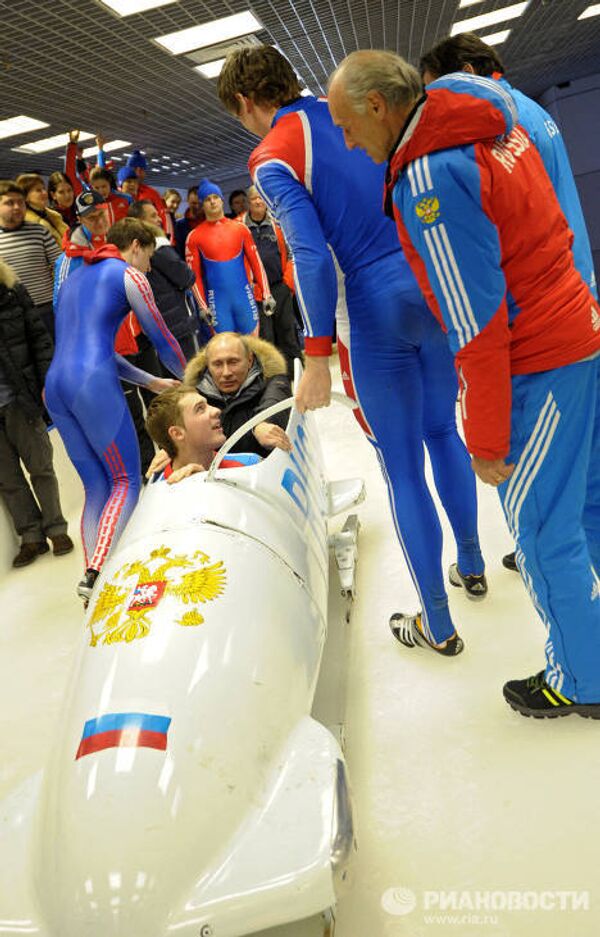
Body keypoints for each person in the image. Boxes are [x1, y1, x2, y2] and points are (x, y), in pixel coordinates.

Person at [328, 50, 600, 715]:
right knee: (587, 502)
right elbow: (557, 231)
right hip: (579, 330)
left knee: (540, 529)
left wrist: (484, 434)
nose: (345, 140)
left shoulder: (428, 177)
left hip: (540, 361)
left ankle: (583, 681)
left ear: (377, 107)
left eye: (345, 123)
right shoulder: (490, 125)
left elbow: (475, 324)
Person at [217, 45, 486, 657]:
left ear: (244, 103)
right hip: (431, 283)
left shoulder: (272, 155)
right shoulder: (351, 110)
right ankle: (471, 564)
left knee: (400, 465)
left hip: (372, 307)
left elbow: (310, 258)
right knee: (445, 432)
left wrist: (315, 358)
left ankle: (438, 625)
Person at [420, 31, 599, 574]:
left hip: (541, 322)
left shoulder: (497, 127)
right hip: (578, 295)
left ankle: (561, 577)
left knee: (549, 505)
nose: (438, 107)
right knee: (587, 470)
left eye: (441, 91)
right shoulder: (527, 112)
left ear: (471, 70)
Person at [44, 217, 187, 602]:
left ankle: (94, 583)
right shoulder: (129, 275)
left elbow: (94, 350)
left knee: (97, 488)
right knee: (126, 481)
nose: (150, 267)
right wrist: (192, 377)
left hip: (56, 386)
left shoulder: (75, 277)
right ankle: (96, 575)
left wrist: (152, 383)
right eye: (150, 257)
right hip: (92, 387)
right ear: (137, 246)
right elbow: (163, 339)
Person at [0, 258, 73, 567]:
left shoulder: (12, 291)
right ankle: (31, 537)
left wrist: (45, 383)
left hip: (21, 398)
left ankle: (56, 527)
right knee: (7, 479)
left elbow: (40, 340)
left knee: (40, 465)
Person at [185, 178, 273, 335]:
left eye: (215, 197)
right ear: (202, 204)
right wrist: (202, 306)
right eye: (207, 199)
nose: (212, 202)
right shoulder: (194, 237)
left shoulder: (240, 229)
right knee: (226, 351)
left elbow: (256, 263)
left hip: (244, 298)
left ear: (221, 199)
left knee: (252, 348)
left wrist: (266, 293)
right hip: (218, 302)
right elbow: (194, 276)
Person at [184, 332, 292, 457]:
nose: (226, 373)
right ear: (208, 365)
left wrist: (262, 424)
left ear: (250, 360)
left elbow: (275, 400)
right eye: (218, 364)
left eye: (233, 362)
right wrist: (175, 447)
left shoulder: (274, 380)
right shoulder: (194, 395)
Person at [128, 199, 199, 361]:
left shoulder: (131, 250)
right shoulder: (158, 247)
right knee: (190, 377)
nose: (159, 219)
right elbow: (187, 277)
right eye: (153, 216)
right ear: (140, 222)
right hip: (176, 326)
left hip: (154, 326)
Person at [242, 185, 301, 378]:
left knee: (288, 334)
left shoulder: (278, 222)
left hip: (280, 287)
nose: (258, 202)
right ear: (248, 203)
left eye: (261, 198)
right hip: (256, 291)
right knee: (266, 339)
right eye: (254, 199)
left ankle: (297, 376)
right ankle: (276, 380)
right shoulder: (240, 226)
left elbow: (292, 253)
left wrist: (288, 283)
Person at [145, 385, 259, 485]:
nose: (216, 410)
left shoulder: (251, 464)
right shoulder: (159, 491)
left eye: (208, 404)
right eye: (200, 409)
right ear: (177, 433)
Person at [0, 180, 61, 341]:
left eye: (21, 202)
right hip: (12, 315)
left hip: (46, 310)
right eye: (9, 203)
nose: (17, 207)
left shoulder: (40, 232)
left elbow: (60, 265)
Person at [15, 173, 68, 247]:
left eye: (44, 188)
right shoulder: (27, 224)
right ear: (25, 196)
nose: (44, 193)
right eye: (38, 190)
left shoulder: (54, 216)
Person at [125, 149, 168, 229]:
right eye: (134, 170)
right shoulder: (117, 193)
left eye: (141, 170)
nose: (137, 173)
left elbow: (162, 219)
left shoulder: (152, 194)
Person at [174, 186, 204, 258]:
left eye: (200, 204)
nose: (197, 206)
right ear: (188, 201)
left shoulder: (211, 222)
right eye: (194, 203)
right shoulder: (179, 226)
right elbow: (179, 252)